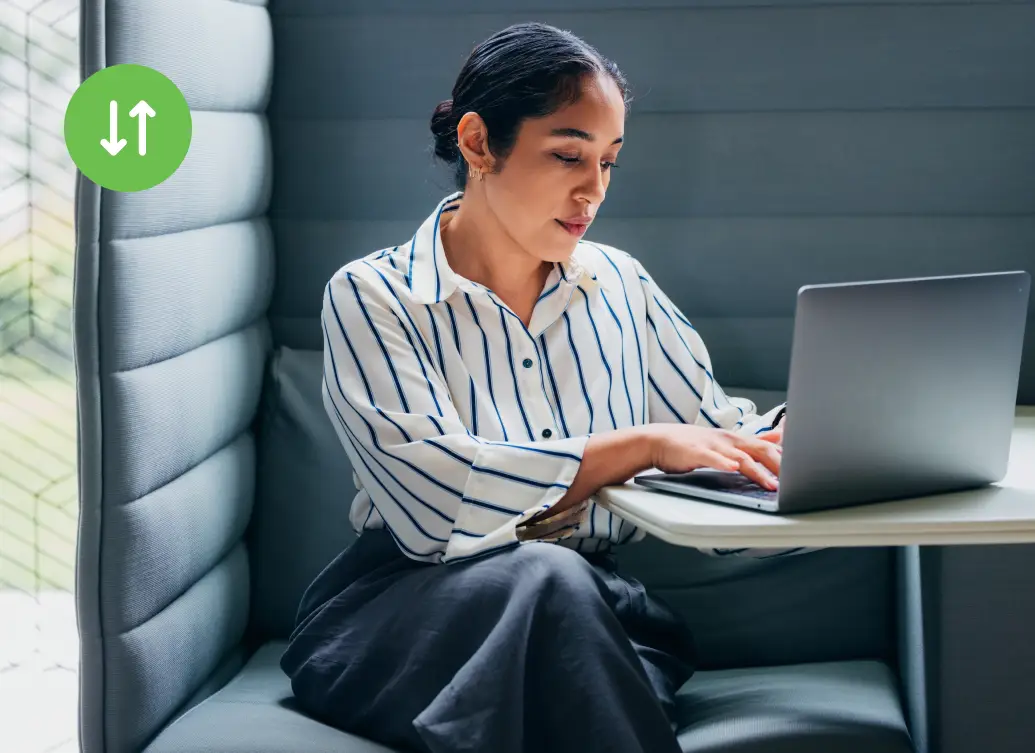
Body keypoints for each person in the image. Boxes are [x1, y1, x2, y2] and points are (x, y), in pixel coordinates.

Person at [281, 22, 802, 753]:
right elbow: (437, 509)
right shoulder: (373, 296)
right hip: (407, 616)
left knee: (559, 597)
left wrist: (814, 433)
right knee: (546, 585)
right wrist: (642, 444)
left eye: (609, 162)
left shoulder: (622, 284)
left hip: (594, 614)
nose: (592, 191)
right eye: (566, 156)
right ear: (476, 143)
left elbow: (715, 439)